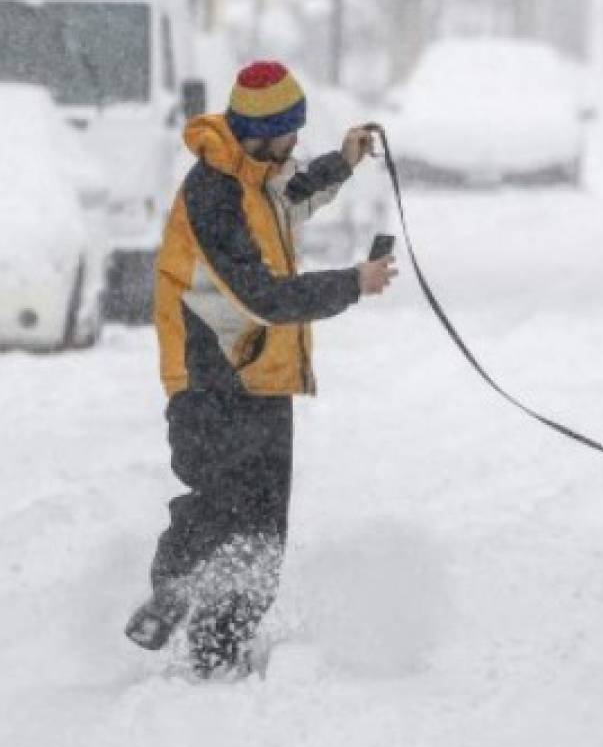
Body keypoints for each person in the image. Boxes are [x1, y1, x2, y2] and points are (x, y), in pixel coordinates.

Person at [125, 60, 398, 677]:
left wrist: (344, 162)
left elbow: (292, 196)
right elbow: (262, 297)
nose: (296, 142)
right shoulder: (213, 194)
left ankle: (222, 642)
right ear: (260, 131)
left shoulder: (259, 177)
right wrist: (352, 282)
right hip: (205, 375)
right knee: (216, 501)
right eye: (290, 131)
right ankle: (170, 593)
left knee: (263, 521)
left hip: (260, 375)